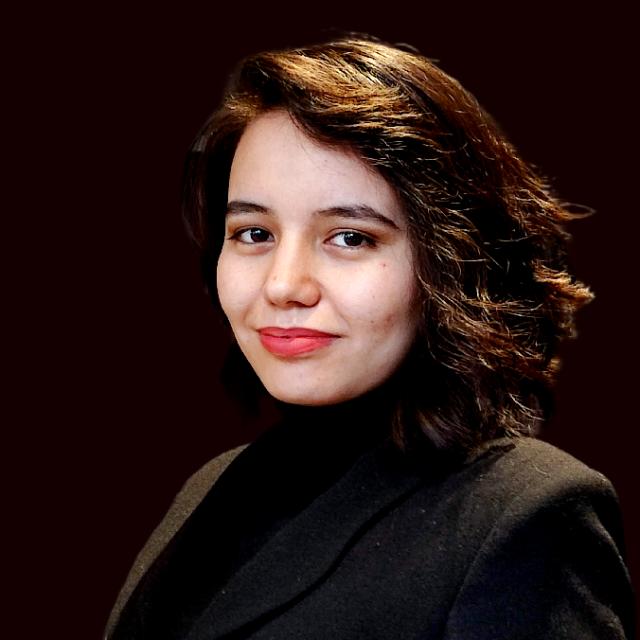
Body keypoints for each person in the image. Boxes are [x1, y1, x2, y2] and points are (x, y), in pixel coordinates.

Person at [105, 36, 634, 639]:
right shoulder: (209, 490)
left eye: (350, 238)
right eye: (254, 233)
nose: (284, 285)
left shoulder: (525, 516)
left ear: (451, 264)